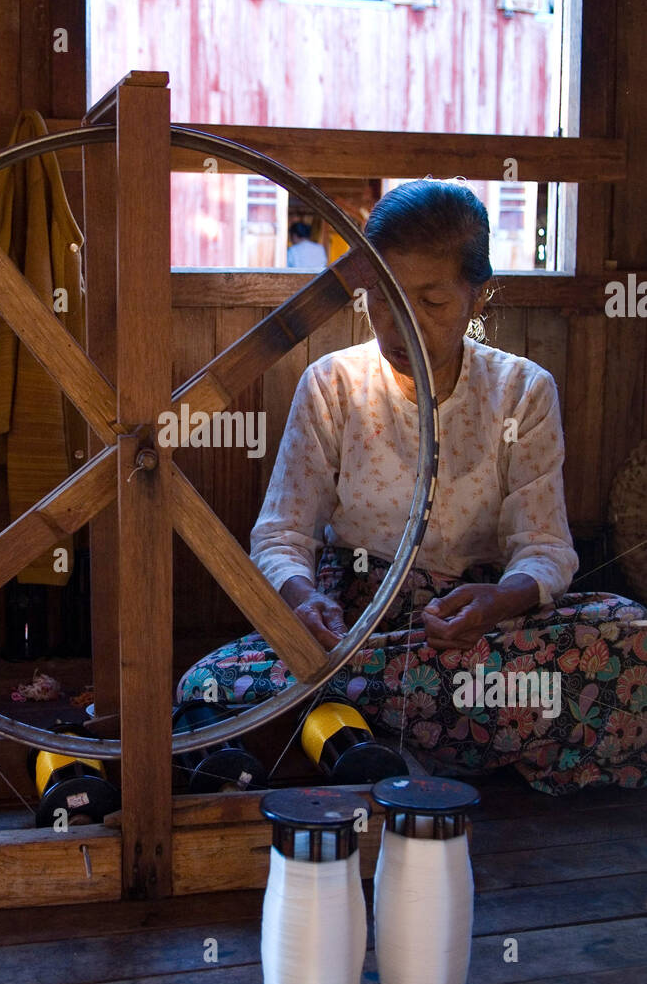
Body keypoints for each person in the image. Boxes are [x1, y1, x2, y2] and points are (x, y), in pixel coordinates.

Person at [177, 180, 647, 795]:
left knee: (631, 637)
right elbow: (283, 533)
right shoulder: (333, 385)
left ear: (478, 296)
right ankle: (411, 727)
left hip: (472, 632)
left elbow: (544, 546)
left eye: (431, 301)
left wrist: (498, 602)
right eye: (383, 299)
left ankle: (347, 720)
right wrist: (300, 599)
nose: (404, 326)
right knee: (203, 680)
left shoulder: (522, 391)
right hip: (353, 623)